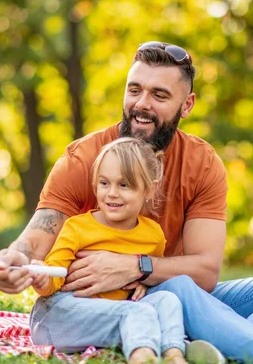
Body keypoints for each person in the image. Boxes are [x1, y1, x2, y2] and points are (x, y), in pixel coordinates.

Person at [0, 41, 253, 364]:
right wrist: (15, 260)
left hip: (168, 291)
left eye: (159, 95)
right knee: (179, 288)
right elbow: (39, 236)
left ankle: (212, 349)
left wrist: (134, 266)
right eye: (134, 90)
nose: (141, 104)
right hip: (117, 303)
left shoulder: (202, 163)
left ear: (187, 105)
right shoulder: (85, 157)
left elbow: (205, 271)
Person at [28, 137, 221, 364]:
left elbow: (151, 277)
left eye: (124, 185)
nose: (111, 193)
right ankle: (144, 358)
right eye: (104, 183)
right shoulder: (77, 227)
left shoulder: (153, 235)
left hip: (113, 313)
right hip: (58, 315)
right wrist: (42, 277)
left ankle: (173, 354)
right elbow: (53, 277)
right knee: (136, 313)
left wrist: (142, 281)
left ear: (150, 189)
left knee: (167, 299)